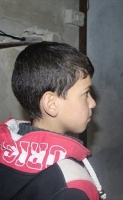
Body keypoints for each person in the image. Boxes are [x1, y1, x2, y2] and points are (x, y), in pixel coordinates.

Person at [0, 42, 107, 200]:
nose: (92, 103)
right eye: (85, 93)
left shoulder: (6, 147)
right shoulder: (71, 186)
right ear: (51, 104)